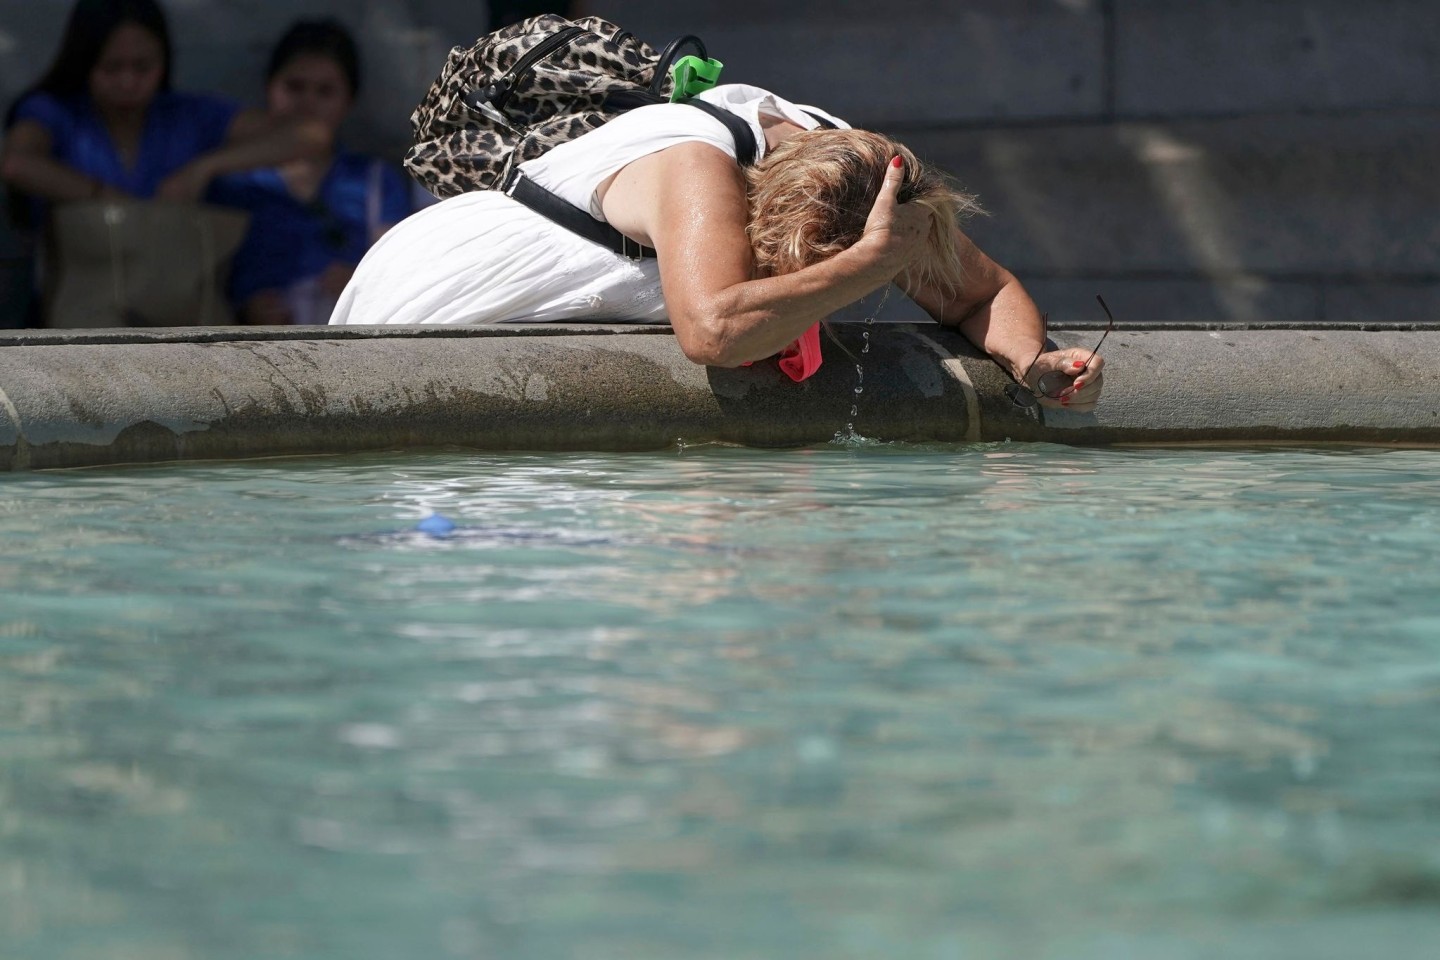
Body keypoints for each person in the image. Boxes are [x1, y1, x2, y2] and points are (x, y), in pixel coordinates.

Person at [331, 84, 1104, 411]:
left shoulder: (868, 178)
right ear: (764, 222)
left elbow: (979, 292)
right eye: (808, 272)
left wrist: (1034, 363)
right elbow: (714, 332)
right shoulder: (698, 165)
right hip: (439, 299)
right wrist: (863, 269)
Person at [211, 19, 410, 325]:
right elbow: (204, 281)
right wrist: (245, 307)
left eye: (325, 91)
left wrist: (359, 287)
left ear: (349, 100)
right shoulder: (233, 182)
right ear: (269, 87)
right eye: (294, 87)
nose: (307, 103)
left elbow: (398, 278)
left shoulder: (376, 182)